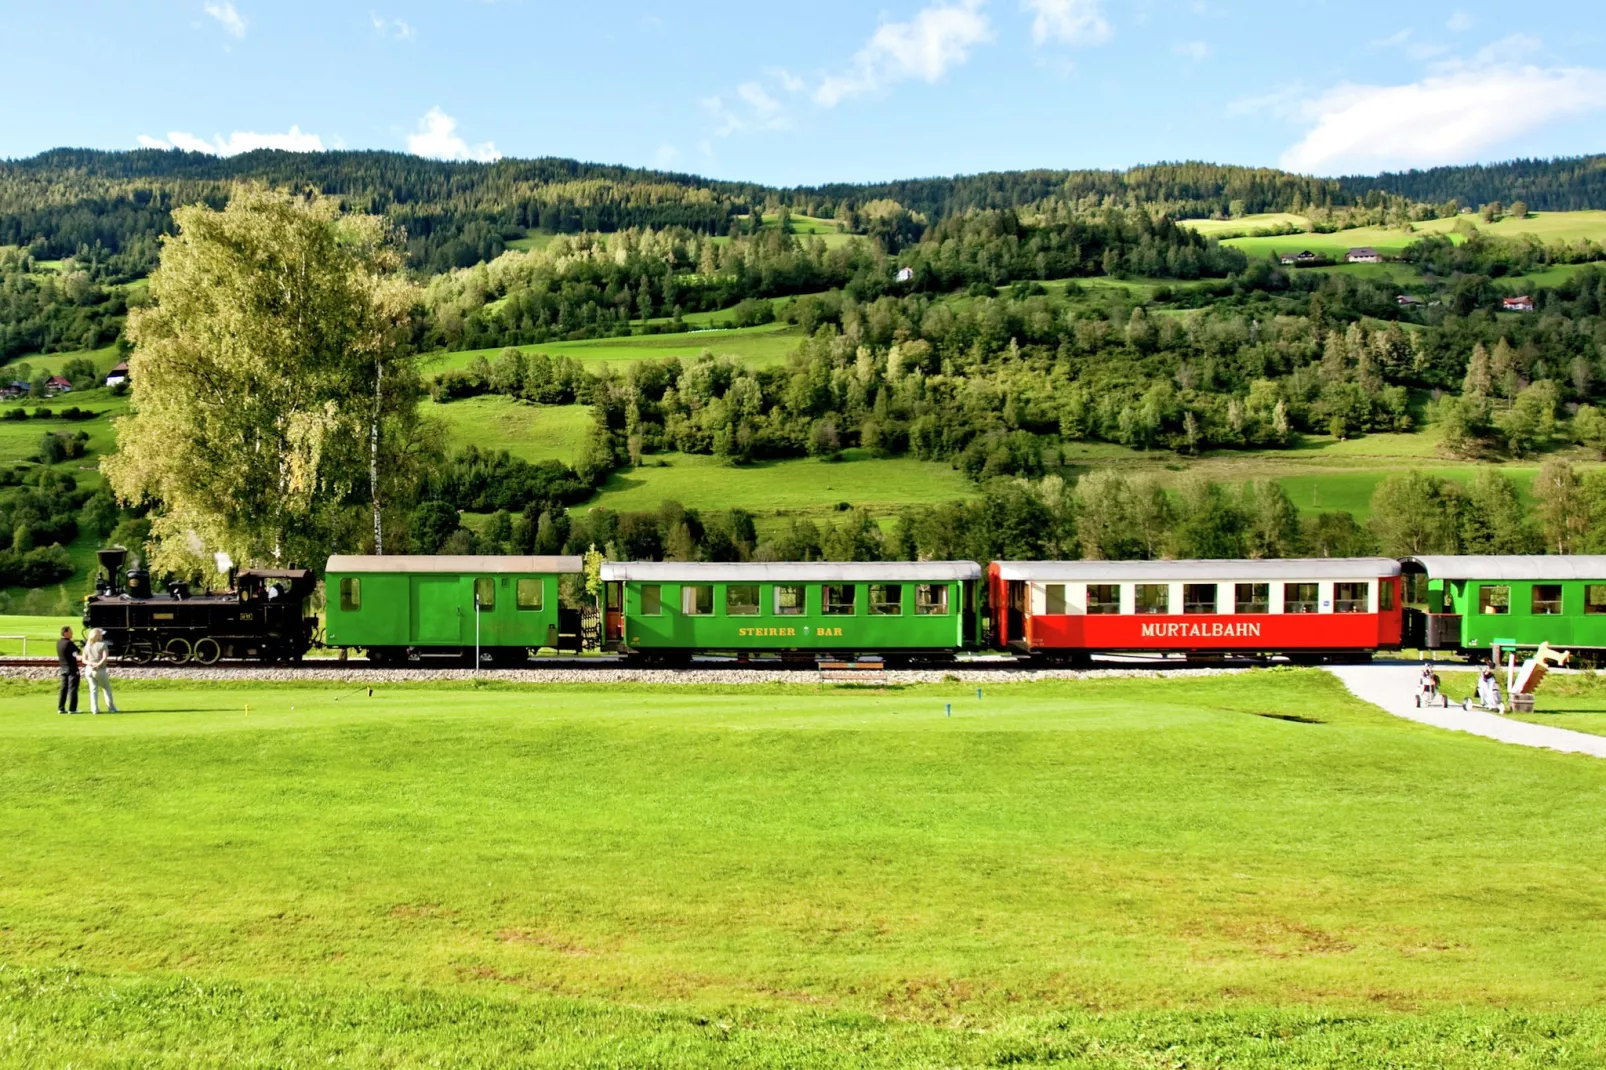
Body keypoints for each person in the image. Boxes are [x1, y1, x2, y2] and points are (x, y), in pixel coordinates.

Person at [83, 627, 119, 715]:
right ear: (98, 635)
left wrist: (91, 664)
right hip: (99, 670)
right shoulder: (102, 645)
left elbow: (83, 659)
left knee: (93, 690)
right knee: (106, 688)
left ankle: (94, 709)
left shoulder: (87, 645)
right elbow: (104, 658)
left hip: (88, 669)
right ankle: (111, 708)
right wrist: (98, 664)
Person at [56, 626, 80, 715]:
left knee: (63, 688)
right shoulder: (69, 643)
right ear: (65, 633)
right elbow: (77, 652)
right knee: (73, 688)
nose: (72, 633)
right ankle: (72, 708)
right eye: (70, 632)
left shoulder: (59, 642)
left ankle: (61, 708)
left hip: (63, 668)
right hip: (71, 668)